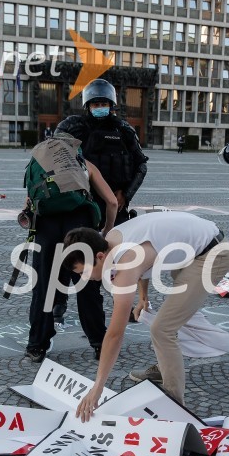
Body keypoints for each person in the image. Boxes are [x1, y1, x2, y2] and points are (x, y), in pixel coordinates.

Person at [61, 211, 229, 419]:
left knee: (162, 329)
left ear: (100, 257)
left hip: (212, 254)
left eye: (83, 271)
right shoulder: (109, 239)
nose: (84, 277)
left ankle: (176, 407)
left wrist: (98, 387)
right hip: (194, 249)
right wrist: (143, 297)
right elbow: (145, 258)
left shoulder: (125, 263)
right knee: (170, 319)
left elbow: (115, 334)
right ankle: (166, 367)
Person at [53, 78, 149, 323]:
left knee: (122, 258)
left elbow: (141, 165)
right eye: (95, 103)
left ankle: (124, 304)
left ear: (112, 104)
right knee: (71, 252)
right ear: (87, 105)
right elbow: (53, 158)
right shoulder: (73, 126)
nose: (100, 107)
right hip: (83, 205)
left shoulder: (124, 130)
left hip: (116, 205)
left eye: (104, 103)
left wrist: (126, 195)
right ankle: (59, 299)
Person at [23, 135, 118, 363]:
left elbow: (30, 203)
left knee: (43, 287)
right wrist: (106, 231)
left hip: (46, 229)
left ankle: (36, 346)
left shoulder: (38, 163)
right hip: (81, 227)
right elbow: (112, 201)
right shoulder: (83, 164)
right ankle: (99, 343)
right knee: (87, 287)